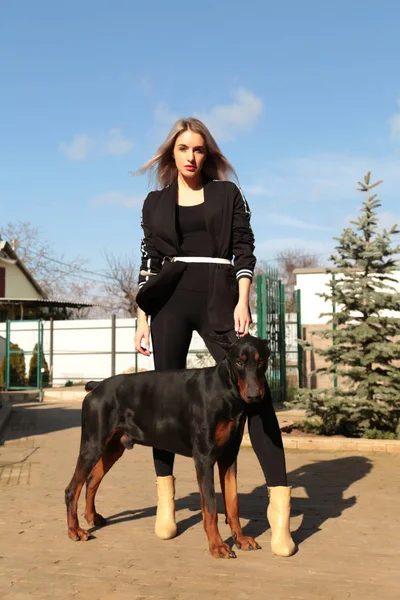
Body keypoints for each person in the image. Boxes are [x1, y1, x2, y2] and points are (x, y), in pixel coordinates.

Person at [134, 118, 295, 557]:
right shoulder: (155, 202)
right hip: (168, 300)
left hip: (220, 293)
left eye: (199, 149)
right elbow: (149, 260)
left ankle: (280, 518)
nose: (191, 156)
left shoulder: (227, 194)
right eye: (183, 148)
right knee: (163, 398)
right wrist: (141, 315)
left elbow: (244, 246)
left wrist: (243, 300)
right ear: (171, 154)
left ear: (208, 154)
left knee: (255, 396)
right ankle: (165, 505)